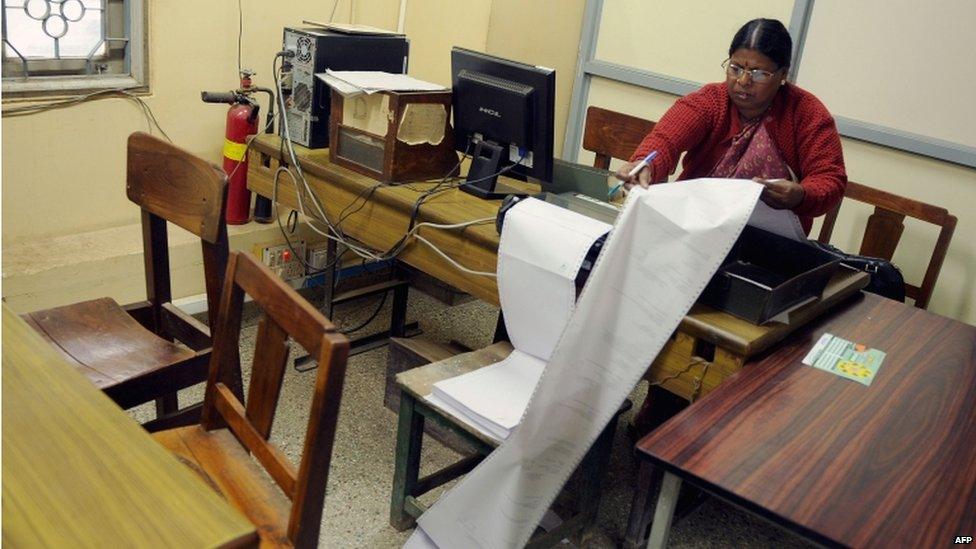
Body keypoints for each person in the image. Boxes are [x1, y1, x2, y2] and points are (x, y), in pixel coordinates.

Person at [615, 18, 846, 234]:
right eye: (736, 68)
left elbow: (830, 178)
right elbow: (666, 140)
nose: (743, 81)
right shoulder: (711, 101)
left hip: (770, 243)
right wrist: (645, 164)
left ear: (783, 74)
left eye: (759, 74)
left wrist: (801, 196)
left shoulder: (806, 113)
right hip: (696, 225)